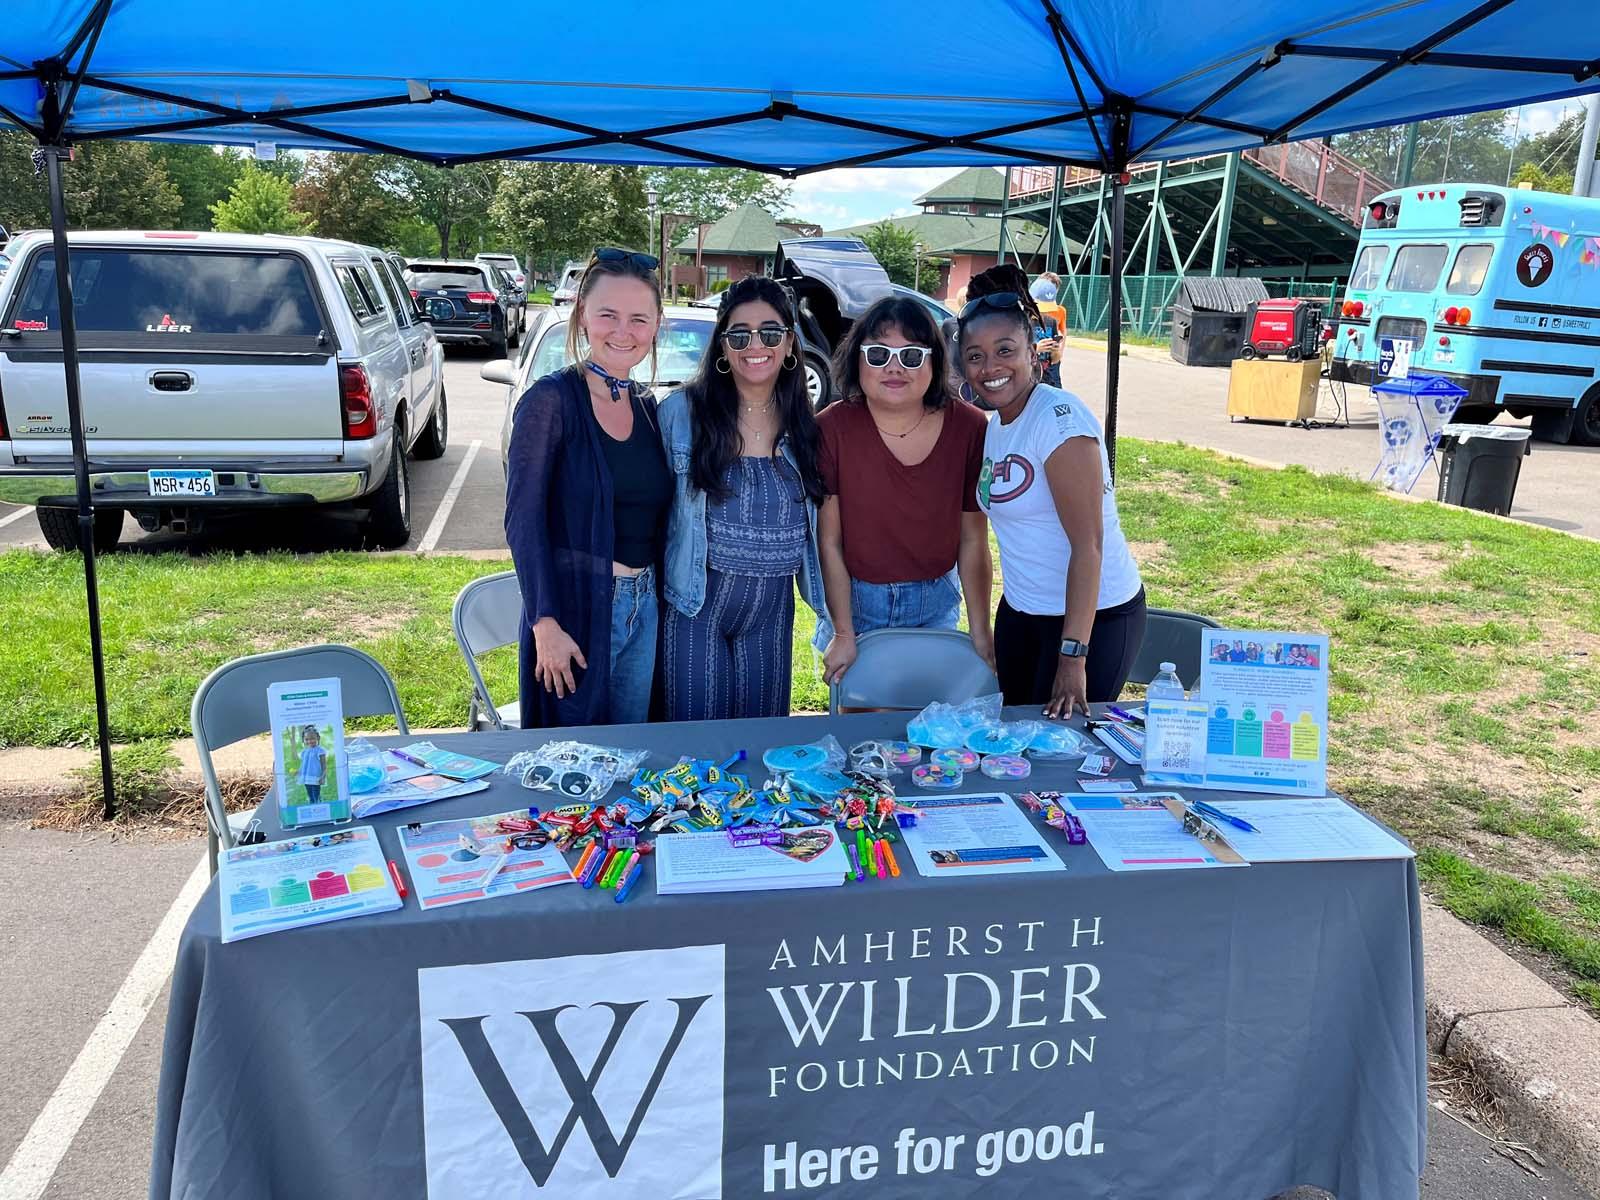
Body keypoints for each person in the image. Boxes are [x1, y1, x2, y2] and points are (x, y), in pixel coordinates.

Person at [958, 270, 1146, 716]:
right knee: (1018, 746)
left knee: (1066, 754)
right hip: (1022, 614)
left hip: (1093, 620)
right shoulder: (997, 426)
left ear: (1033, 353)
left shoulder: (1059, 419)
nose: (991, 368)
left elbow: (1089, 546)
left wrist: (1072, 655)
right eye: (975, 356)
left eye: (1005, 351)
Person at [504, 247, 671, 728]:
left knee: (632, 754)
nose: (624, 332)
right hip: (575, 611)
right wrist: (545, 622)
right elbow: (523, 520)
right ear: (583, 316)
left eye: (639, 318)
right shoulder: (550, 401)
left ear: (657, 324)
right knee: (574, 766)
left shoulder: (646, 405)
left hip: (645, 608)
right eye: (608, 315)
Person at [658, 276, 827, 720]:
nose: (757, 344)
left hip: (772, 615)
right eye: (740, 334)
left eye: (771, 332)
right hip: (695, 610)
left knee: (759, 748)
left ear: (790, 344)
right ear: (723, 345)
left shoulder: (808, 429)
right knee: (696, 752)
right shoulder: (681, 415)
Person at [815, 294, 993, 684]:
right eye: (878, 355)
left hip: (937, 604)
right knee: (861, 730)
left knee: (929, 726)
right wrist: (843, 632)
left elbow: (973, 540)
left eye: (912, 356)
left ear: (934, 360)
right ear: (858, 360)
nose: (894, 368)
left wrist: (981, 634)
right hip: (858, 606)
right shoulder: (831, 427)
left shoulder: (970, 427)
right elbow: (829, 541)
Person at [297, 726, 326, 805]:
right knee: (310, 793)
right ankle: (312, 805)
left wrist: (323, 776)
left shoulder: (320, 750)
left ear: (318, 738)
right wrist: (299, 771)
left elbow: (324, 765)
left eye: (312, 738)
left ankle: (318, 805)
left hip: (316, 777)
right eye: (307, 739)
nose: (310, 741)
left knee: (315, 793)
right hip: (306, 777)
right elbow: (304, 764)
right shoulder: (304, 752)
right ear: (303, 740)